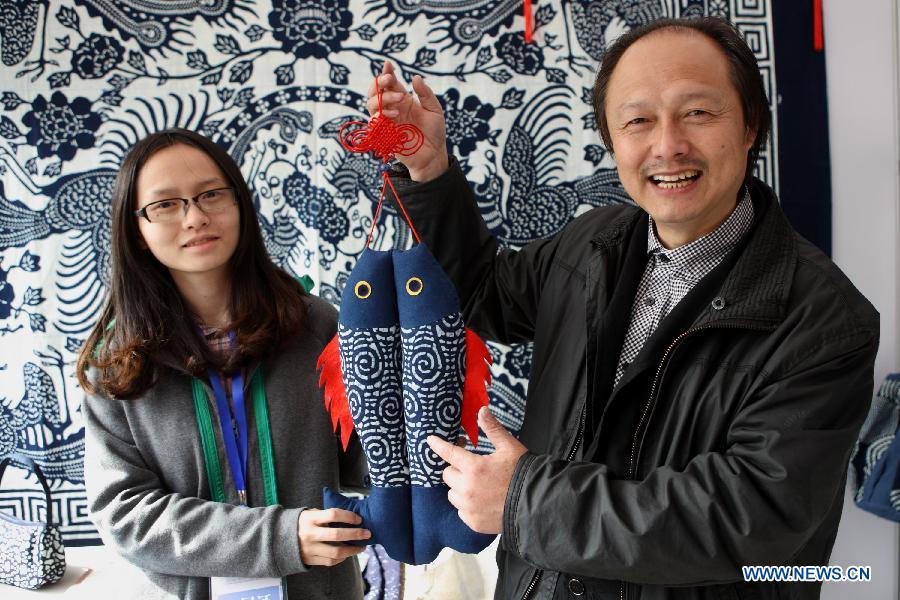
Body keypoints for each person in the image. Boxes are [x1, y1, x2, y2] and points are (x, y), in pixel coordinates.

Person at [365, 16, 880, 600]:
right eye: (638, 121)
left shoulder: (825, 318)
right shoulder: (591, 243)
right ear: (613, 143)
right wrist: (429, 171)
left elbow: (752, 514)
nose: (667, 146)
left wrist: (524, 499)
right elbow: (484, 293)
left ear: (749, 126)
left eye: (698, 113)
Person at [77, 128, 369, 599]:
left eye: (210, 194)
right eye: (166, 204)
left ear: (239, 204)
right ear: (137, 228)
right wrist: (279, 538)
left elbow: (364, 458)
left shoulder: (314, 325)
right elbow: (124, 514)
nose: (194, 217)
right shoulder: (117, 365)